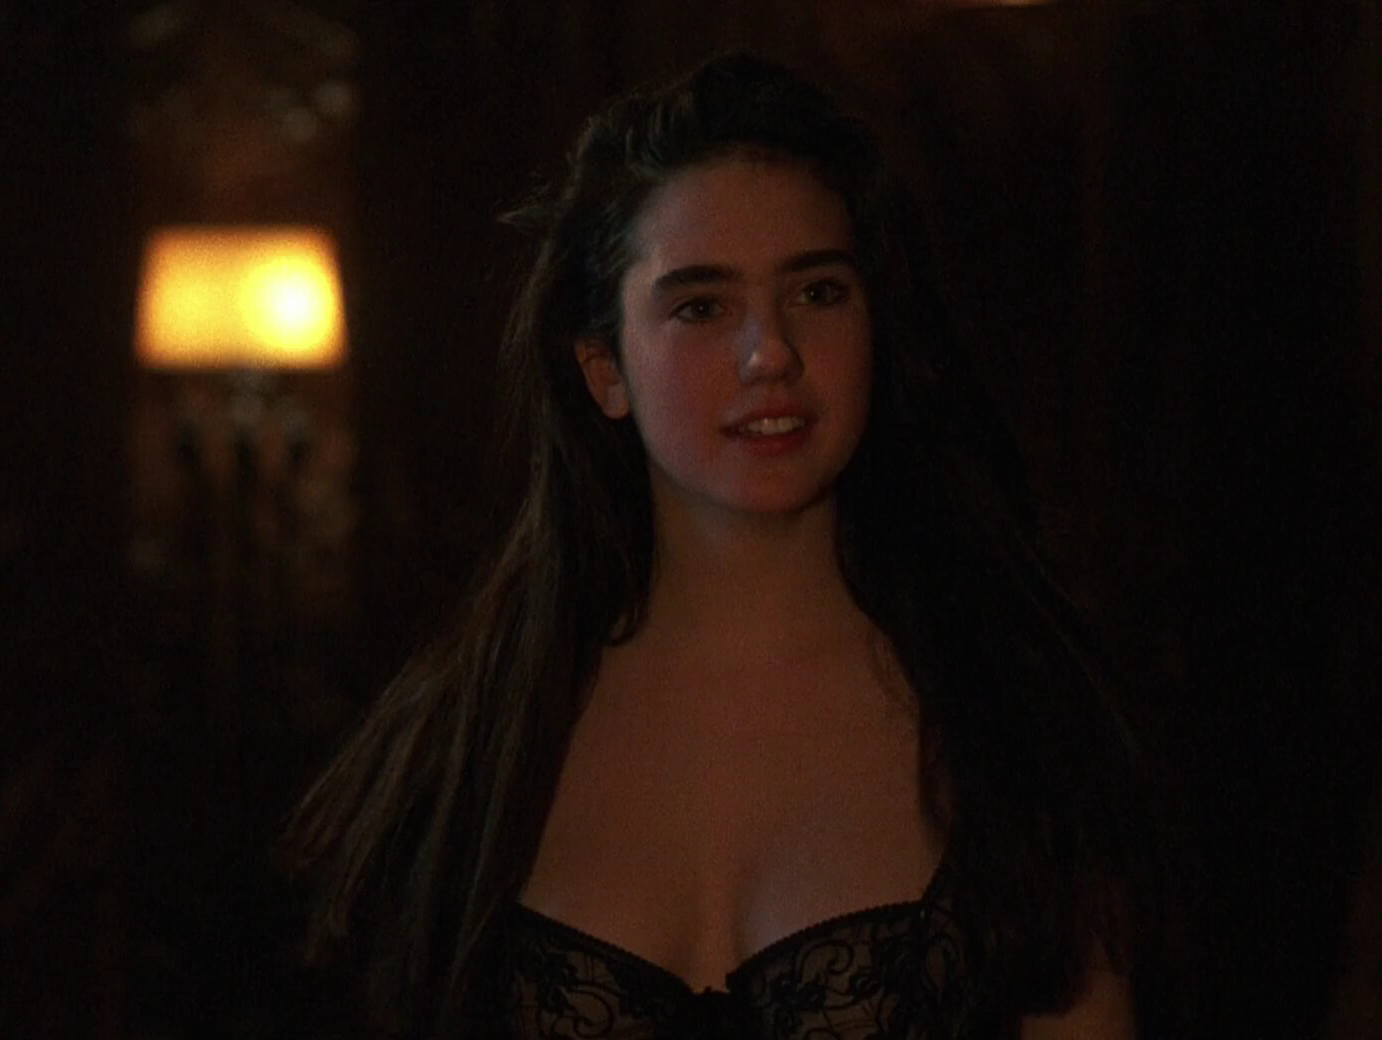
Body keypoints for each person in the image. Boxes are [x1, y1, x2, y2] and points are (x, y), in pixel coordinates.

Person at [287, 52, 1174, 1039]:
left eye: (818, 292)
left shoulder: (1008, 711)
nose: (770, 353)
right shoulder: (479, 734)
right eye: (702, 306)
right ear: (604, 370)